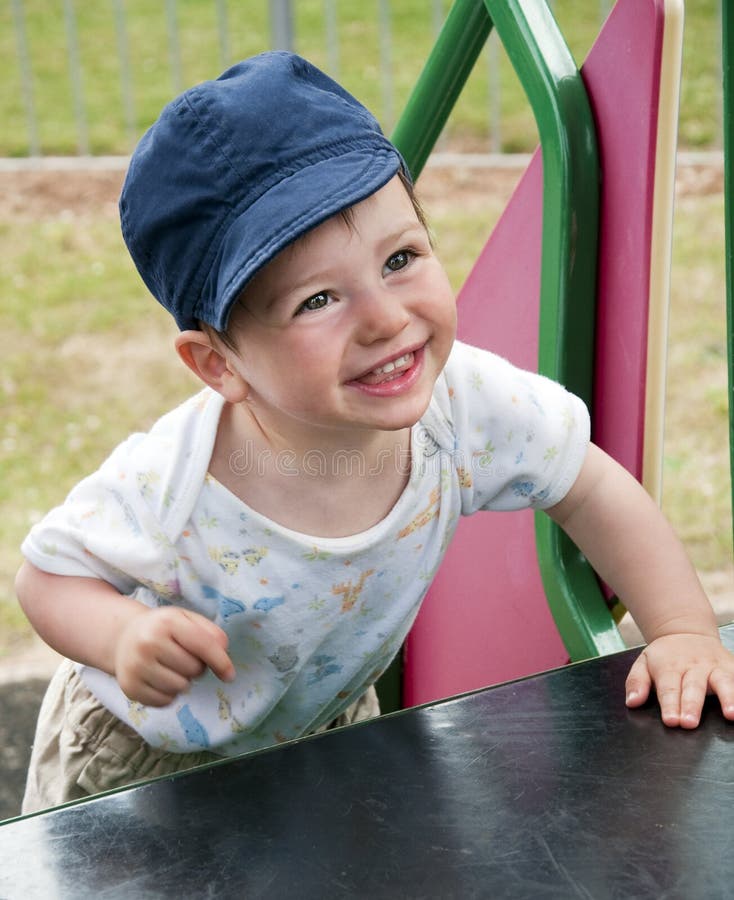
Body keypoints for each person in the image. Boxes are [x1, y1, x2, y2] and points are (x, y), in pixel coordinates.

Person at [16, 51, 734, 814]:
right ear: (217, 364)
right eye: (319, 299)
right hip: (146, 763)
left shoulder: (464, 408)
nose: (386, 319)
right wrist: (121, 636)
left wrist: (682, 629)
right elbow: (47, 578)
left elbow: (589, 485)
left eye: (400, 258)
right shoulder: (174, 484)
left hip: (320, 723)